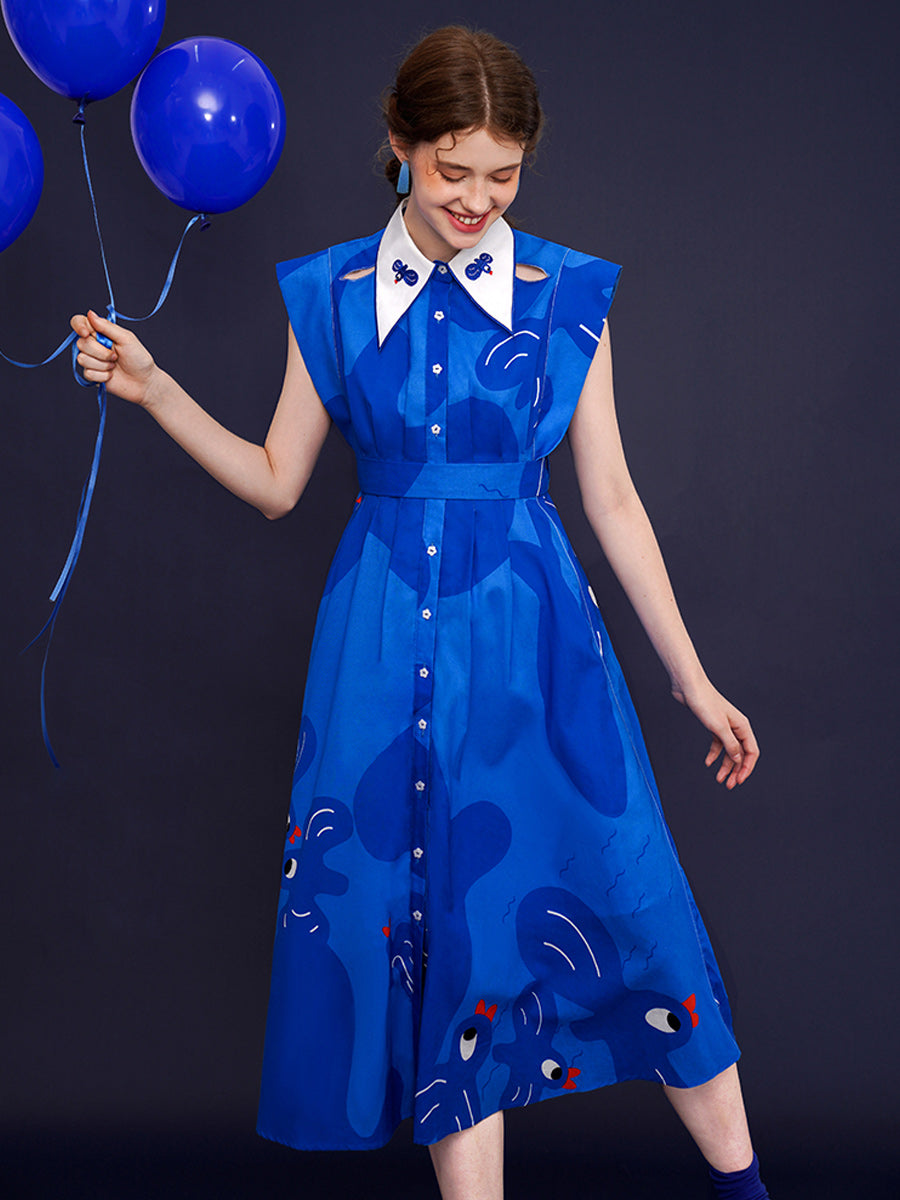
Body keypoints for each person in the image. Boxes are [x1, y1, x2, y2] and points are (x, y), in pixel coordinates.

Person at [70, 24, 768, 1200]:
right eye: (453, 171)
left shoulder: (566, 295)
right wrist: (156, 391)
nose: (477, 202)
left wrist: (692, 679)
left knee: (643, 914)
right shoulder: (332, 295)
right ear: (399, 145)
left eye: (504, 176)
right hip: (380, 656)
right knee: (438, 940)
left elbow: (612, 499)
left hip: (537, 654)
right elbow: (278, 482)